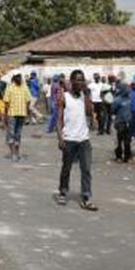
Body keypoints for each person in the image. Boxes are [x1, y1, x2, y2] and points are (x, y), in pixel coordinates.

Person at [56, 70, 98, 211]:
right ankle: (63, 191)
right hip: (69, 139)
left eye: (82, 80)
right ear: (72, 81)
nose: (81, 83)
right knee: (66, 168)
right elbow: (59, 119)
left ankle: (86, 197)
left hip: (84, 139)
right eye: (78, 80)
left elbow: (88, 113)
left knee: (86, 169)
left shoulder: (84, 97)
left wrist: (86, 95)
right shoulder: (64, 97)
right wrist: (60, 138)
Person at [3, 73, 32, 162]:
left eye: (21, 78)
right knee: (11, 133)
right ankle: (13, 153)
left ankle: (17, 152)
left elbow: (28, 100)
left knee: (18, 134)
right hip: (12, 114)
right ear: (15, 79)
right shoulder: (10, 88)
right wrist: (5, 115)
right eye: (18, 78)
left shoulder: (24, 87)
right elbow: (6, 102)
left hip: (22, 114)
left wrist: (27, 112)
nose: (20, 80)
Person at [112, 82, 132, 163]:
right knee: (119, 140)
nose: (128, 91)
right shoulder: (117, 100)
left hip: (128, 122)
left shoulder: (129, 99)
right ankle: (119, 156)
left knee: (127, 141)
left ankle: (127, 156)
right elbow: (113, 110)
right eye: (126, 89)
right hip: (120, 122)